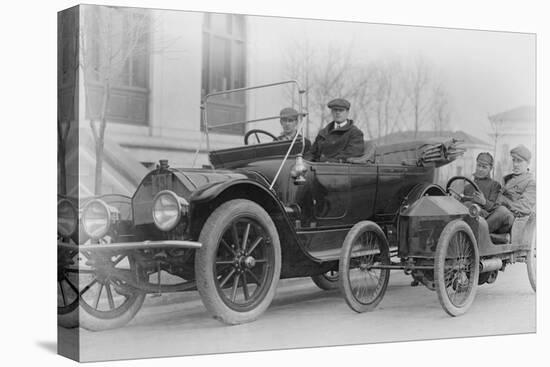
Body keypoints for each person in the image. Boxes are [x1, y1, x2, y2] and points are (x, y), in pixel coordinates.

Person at [486, 145, 536, 234]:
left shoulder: (531, 183)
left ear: (528, 163)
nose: (515, 164)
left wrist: (504, 201)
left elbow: (524, 207)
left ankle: (475, 235)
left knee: (502, 211)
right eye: (514, 160)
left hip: (511, 220)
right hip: (495, 214)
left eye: (519, 161)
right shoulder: (508, 179)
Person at [464, 152, 501, 219]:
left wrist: (484, 202)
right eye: (479, 165)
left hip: (485, 219)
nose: (480, 169)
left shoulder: (495, 185)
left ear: (490, 168)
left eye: (484, 167)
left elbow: (495, 209)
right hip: (467, 215)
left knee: (468, 205)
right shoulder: (468, 186)